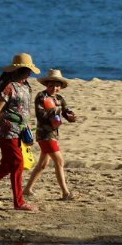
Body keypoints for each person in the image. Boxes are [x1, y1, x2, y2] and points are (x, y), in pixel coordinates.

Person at [0, 52, 40, 212]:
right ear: (19, 70)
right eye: (27, 70)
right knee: (17, 163)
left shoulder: (26, 85)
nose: (29, 73)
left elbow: (24, 109)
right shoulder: (8, 87)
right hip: (6, 131)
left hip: (20, 130)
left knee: (8, 164)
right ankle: (19, 202)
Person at [25, 69, 79, 200]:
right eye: (51, 85)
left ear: (60, 87)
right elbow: (40, 115)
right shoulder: (41, 96)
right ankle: (65, 193)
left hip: (54, 134)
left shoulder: (60, 98)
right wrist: (56, 110)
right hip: (44, 135)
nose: (54, 88)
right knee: (59, 161)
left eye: (57, 86)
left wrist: (72, 117)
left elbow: (66, 112)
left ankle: (27, 189)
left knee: (42, 164)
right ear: (46, 85)